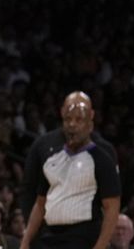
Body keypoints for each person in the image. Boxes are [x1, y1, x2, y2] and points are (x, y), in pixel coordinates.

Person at [20, 93, 120, 249]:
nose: (72, 124)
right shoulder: (51, 158)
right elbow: (40, 204)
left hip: (82, 235)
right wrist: (26, 241)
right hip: (48, 234)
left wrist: (100, 246)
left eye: (79, 120)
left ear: (90, 123)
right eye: (68, 119)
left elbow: (112, 208)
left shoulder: (102, 158)